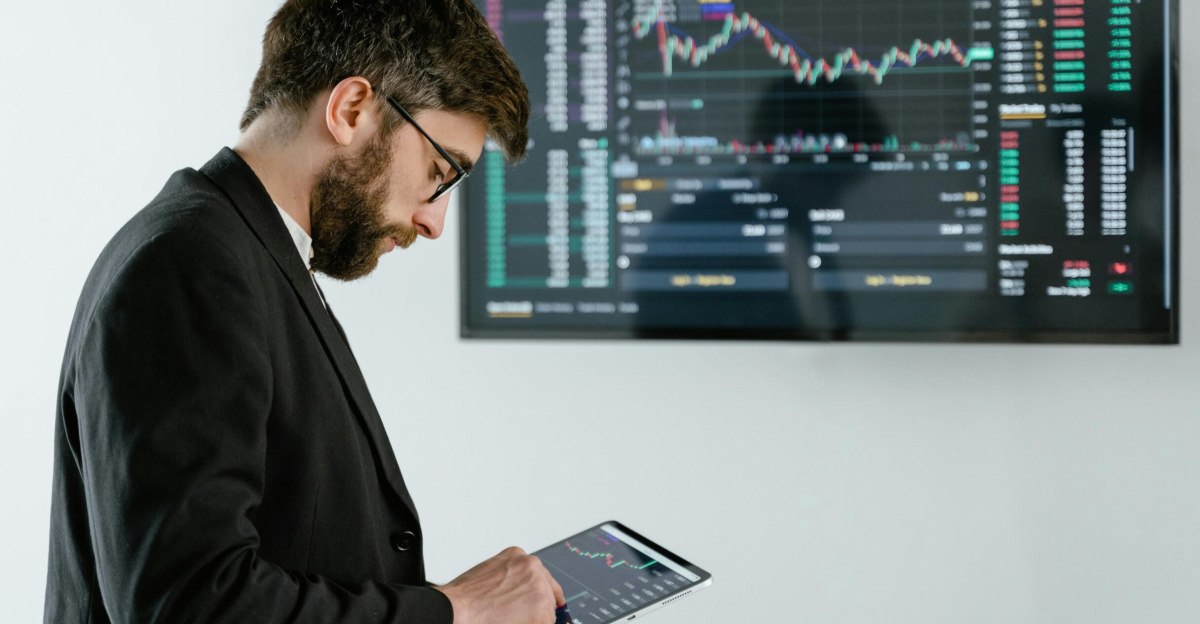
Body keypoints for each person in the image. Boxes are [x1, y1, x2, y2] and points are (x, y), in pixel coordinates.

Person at [43, 1, 565, 622]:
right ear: (350, 110)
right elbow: (190, 604)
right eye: (438, 171)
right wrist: (455, 610)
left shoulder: (245, 256)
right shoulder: (189, 266)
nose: (433, 221)